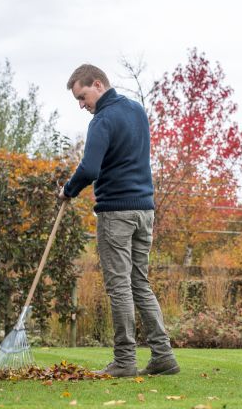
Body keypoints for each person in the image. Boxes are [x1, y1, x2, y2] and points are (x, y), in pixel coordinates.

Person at [58, 64, 179, 378]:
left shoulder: (102, 120)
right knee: (140, 284)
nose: (81, 105)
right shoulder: (137, 110)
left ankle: (124, 360)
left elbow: (89, 169)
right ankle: (163, 356)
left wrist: (68, 190)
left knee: (119, 287)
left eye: (83, 96)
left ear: (98, 84)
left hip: (116, 213)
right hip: (145, 211)